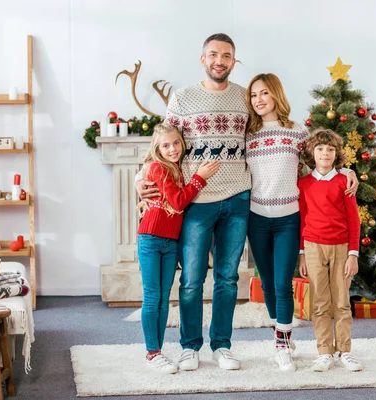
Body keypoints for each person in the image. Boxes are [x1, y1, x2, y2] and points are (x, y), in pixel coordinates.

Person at [136, 33, 251, 371]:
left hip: (238, 197)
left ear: (234, 61)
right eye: (213, 54)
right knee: (191, 279)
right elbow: (161, 143)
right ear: (203, 59)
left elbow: (267, 137)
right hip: (196, 200)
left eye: (227, 55)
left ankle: (222, 345)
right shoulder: (182, 98)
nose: (220, 60)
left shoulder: (245, 98)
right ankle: (189, 346)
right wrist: (140, 180)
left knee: (228, 278)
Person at [245, 73, 358, 372]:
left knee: (283, 284)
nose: (259, 99)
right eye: (254, 94)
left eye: (265, 93)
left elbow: (323, 161)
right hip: (256, 219)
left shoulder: (297, 133)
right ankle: (281, 335)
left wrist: (349, 172)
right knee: (267, 283)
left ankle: (282, 346)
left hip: (288, 220)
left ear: (277, 95)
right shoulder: (247, 135)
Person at [136, 123, 220, 374]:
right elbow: (179, 201)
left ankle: (157, 352)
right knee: (153, 297)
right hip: (150, 238)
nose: (172, 149)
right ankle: (152, 353)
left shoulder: (176, 168)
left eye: (175, 143)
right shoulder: (158, 167)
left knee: (163, 299)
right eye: (165, 145)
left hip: (170, 241)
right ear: (157, 148)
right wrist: (200, 179)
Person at [298, 128, 363, 372]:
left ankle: (344, 351)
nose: (325, 153)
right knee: (320, 303)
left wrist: (353, 254)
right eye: (320, 149)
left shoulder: (344, 181)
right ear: (312, 153)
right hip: (313, 247)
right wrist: (302, 253)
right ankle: (324, 351)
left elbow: (354, 220)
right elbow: (302, 219)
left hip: (341, 248)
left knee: (342, 302)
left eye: (330, 149)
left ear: (337, 154)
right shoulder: (304, 184)